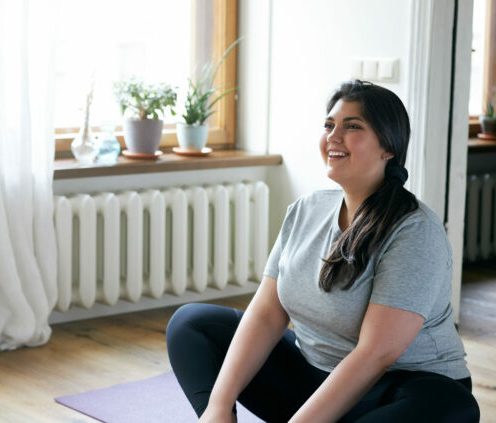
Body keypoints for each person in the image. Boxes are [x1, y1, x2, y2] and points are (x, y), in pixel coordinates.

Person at [166, 80, 480, 422]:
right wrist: (217, 406)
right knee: (192, 324)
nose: (333, 136)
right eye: (329, 125)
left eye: (352, 126)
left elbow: (376, 354)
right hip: (314, 381)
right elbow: (267, 314)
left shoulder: (415, 230)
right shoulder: (306, 209)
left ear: (388, 146)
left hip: (394, 390)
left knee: (451, 407)